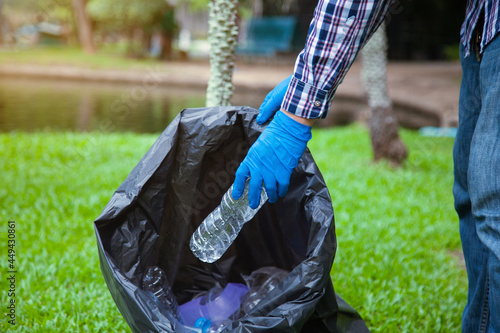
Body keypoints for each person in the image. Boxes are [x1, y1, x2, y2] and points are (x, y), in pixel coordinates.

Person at [231, 0, 500, 331]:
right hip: (481, 30)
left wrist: (297, 111)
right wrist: (308, 77)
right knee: (474, 203)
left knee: (496, 207)